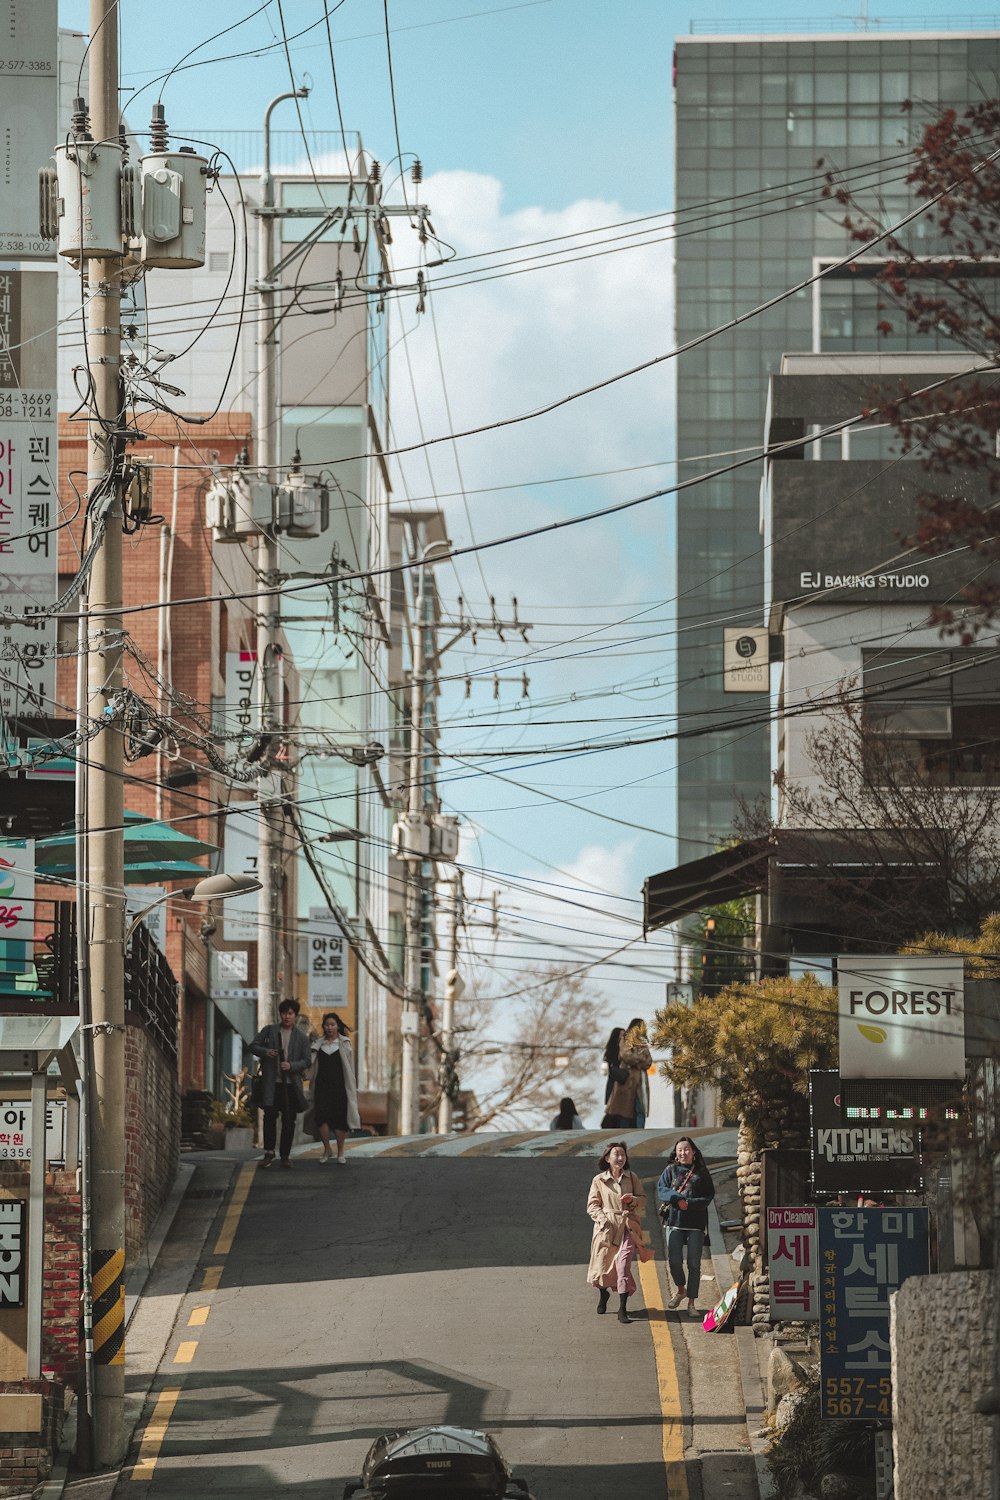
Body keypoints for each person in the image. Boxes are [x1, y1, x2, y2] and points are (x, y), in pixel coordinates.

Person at [586, 1140, 651, 1325]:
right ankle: (603, 1294)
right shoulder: (598, 1180)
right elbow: (592, 1205)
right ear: (607, 1158)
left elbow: (643, 1200)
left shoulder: (632, 1178)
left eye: (623, 1154)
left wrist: (632, 1200)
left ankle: (623, 1309)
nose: (620, 1158)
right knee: (602, 1266)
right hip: (606, 1228)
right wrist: (602, 1219)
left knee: (623, 1266)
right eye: (617, 1154)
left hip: (628, 1226)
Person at [656, 1136, 715, 1317]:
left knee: (694, 1264)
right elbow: (661, 1189)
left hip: (695, 1224)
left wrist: (688, 1204)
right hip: (674, 1222)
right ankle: (681, 1289)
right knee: (674, 1261)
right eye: (680, 1149)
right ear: (676, 1152)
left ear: (694, 1152)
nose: (683, 1152)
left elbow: (708, 1196)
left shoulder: (702, 1173)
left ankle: (691, 1302)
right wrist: (677, 1198)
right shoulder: (670, 1170)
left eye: (687, 1149)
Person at [249, 999, 312, 1169]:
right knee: (269, 1117)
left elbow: (307, 1060)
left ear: (295, 1016)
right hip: (271, 1083)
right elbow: (253, 1046)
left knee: (289, 1120)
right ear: (280, 1014)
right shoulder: (270, 1030)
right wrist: (266, 1052)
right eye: (284, 1013)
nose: (287, 1016)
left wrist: (291, 1066)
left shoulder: (301, 1037)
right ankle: (269, 1152)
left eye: (290, 1013)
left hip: (291, 1085)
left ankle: (285, 1155)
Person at [309, 1011, 361, 1162]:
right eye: (327, 1025)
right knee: (321, 1118)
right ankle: (327, 1150)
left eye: (332, 1024)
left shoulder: (345, 1044)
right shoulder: (318, 1044)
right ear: (323, 1027)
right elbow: (310, 1065)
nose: (330, 1027)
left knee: (340, 1120)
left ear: (338, 1026)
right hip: (321, 1087)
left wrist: (352, 1087)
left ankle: (340, 1152)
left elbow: (350, 1068)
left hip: (340, 1087)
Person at [601, 1018, 652, 1129]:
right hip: (627, 1081)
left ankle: (640, 1130)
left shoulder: (642, 1043)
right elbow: (626, 1056)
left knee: (640, 1108)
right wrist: (640, 1060)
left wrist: (637, 1061)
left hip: (640, 1080)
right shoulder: (625, 1040)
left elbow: (649, 1062)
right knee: (624, 1110)